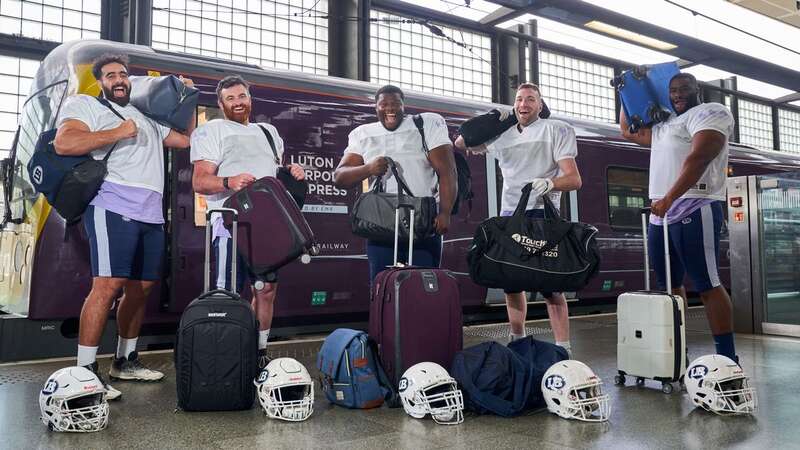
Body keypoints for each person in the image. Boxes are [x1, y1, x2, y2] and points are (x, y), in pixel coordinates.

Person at [54, 54, 194, 399]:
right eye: (110, 75)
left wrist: (189, 99)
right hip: (112, 206)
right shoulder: (85, 105)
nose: (119, 79)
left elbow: (185, 140)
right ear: (100, 82)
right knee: (108, 286)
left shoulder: (145, 116)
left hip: (151, 214)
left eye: (123, 74)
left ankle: (125, 360)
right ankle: (85, 370)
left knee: (142, 288)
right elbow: (64, 143)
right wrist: (117, 132)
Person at [620, 72, 738, 363]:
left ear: (697, 89)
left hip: (695, 206)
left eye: (684, 89)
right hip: (660, 215)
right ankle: (677, 353)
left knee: (707, 282)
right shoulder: (664, 123)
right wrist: (626, 90)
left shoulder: (711, 112)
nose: (677, 95)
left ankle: (727, 358)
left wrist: (669, 198)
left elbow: (700, 157)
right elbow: (627, 132)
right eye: (672, 90)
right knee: (669, 287)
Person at [455, 83, 581, 354]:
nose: (524, 104)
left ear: (540, 104)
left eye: (530, 100)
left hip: (543, 216)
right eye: (519, 100)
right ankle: (517, 338)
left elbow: (574, 179)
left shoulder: (557, 129)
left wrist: (550, 184)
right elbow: (461, 142)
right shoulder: (502, 135)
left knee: (551, 285)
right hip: (510, 215)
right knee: (512, 283)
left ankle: (564, 347)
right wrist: (496, 118)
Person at [190, 75, 306, 369]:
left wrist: (290, 171)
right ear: (220, 103)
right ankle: (225, 355)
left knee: (265, 290)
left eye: (241, 96)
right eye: (230, 98)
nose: (238, 103)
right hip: (231, 226)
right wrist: (230, 181)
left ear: (250, 99)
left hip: (267, 227)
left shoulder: (268, 132)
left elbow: (272, 173)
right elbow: (200, 181)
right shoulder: (211, 131)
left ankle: (258, 351)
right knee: (228, 294)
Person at [333, 85, 457, 281]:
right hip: (381, 224)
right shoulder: (362, 134)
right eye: (384, 104)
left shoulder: (425, 125)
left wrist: (445, 213)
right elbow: (339, 178)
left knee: (422, 286)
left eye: (395, 104)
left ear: (403, 106)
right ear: (376, 107)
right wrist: (368, 169)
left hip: (422, 222)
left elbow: (448, 173)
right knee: (382, 285)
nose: (390, 109)